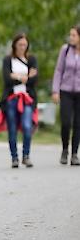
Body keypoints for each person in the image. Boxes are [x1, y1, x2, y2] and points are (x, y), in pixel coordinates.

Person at [0, 33, 38, 168]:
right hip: (11, 98)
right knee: (12, 128)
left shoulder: (31, 59)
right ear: (15, 45)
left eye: (24, 45)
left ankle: (26, 155)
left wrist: (17, 76)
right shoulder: (8, 60)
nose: (22, 47)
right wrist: (25, 77)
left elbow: (34, 80)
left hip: (27, 98)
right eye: (20, 44)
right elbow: (6, 79)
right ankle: (14, 157)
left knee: (27, 126)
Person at [51, 25, 80, 166]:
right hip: (66, 90)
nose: (71, 38)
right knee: (66, 122)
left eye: (74, 35)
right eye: (71, 35)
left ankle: (75, 154)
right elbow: (58, 70)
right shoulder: (65, 50)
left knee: (78, 124)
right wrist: (55, 90)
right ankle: (64, 150)